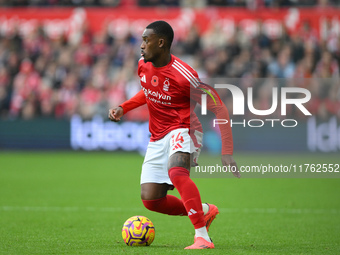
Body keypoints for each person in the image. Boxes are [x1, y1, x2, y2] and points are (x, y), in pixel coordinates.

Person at [108, 20, 240, 249]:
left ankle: (202, 237)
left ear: (161, 43)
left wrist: (226, 150)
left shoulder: (184, 75)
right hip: (157, 136)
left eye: (145, 40)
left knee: (177, 173)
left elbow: (218, 105)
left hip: (185, 128)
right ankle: (204, 211)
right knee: (151, 199)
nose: (141, 46)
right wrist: (124, 107)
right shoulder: (142, 64)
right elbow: (149, 90)